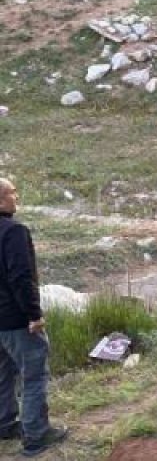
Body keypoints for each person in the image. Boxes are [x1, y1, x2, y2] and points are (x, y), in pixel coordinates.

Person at [0, 178, 67, 457]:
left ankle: (4, 425)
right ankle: (36, 436)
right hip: (16, 319)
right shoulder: (13, 231)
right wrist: (34, 315)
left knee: (3, 374)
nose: (16, 196)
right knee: (34, 376)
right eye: (12, 192)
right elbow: (21, 276)